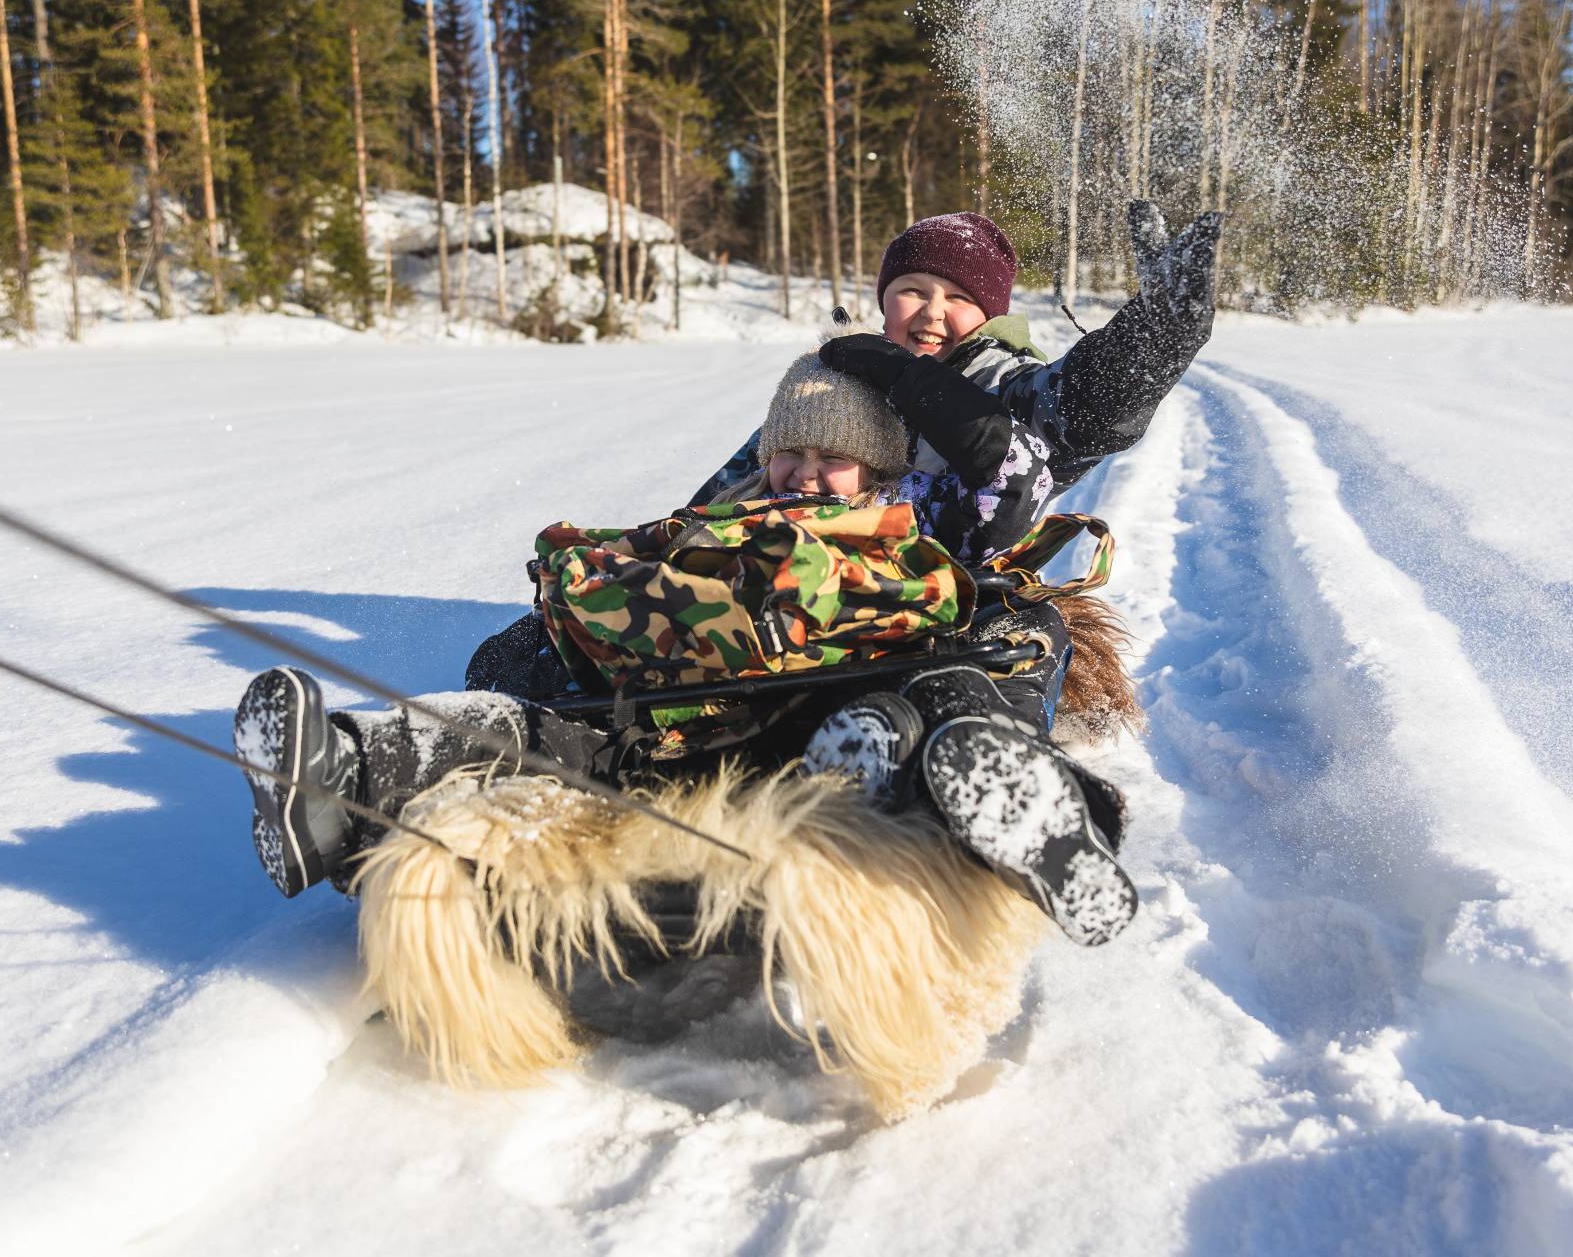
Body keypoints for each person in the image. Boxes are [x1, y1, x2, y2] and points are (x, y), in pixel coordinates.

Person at [233, 342, 1143, 946]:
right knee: (538, 724)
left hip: (858, 701)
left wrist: (901, 380)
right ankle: (353, 773)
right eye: (789, 451)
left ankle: (1005, 795)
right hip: (692, 721)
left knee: (992, 648)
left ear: (878, 466)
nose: (803, 470)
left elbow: (1007, 484)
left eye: (832, 455)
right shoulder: (722, 522)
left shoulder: (911, 518)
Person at [691, 201, 1221, 505]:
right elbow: (738, 483)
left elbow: (1088, 410)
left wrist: (1157, 335)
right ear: (885, 299)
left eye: (960, 299)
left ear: (989, 317)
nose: (932, 312)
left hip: (954, 606)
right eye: (913, 290)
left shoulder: (1001, 385)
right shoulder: (841, 378)